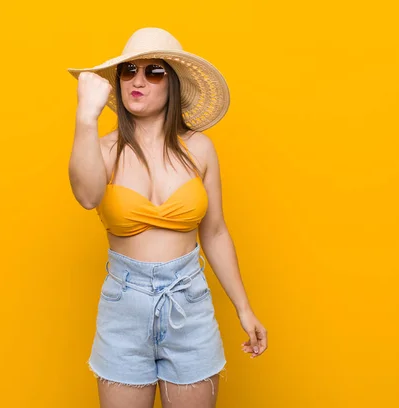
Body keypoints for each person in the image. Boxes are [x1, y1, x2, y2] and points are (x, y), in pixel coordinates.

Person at [67, 27, 267, 408]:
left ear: (172, 84)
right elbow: (86, 195)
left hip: (188, 300)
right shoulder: (105, 148)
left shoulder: (200, 148)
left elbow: (216, 232)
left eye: (153, 71)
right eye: (128, 71)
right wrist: (85, 119)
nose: (137, 81)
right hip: (125, 303)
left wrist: (244, 308)